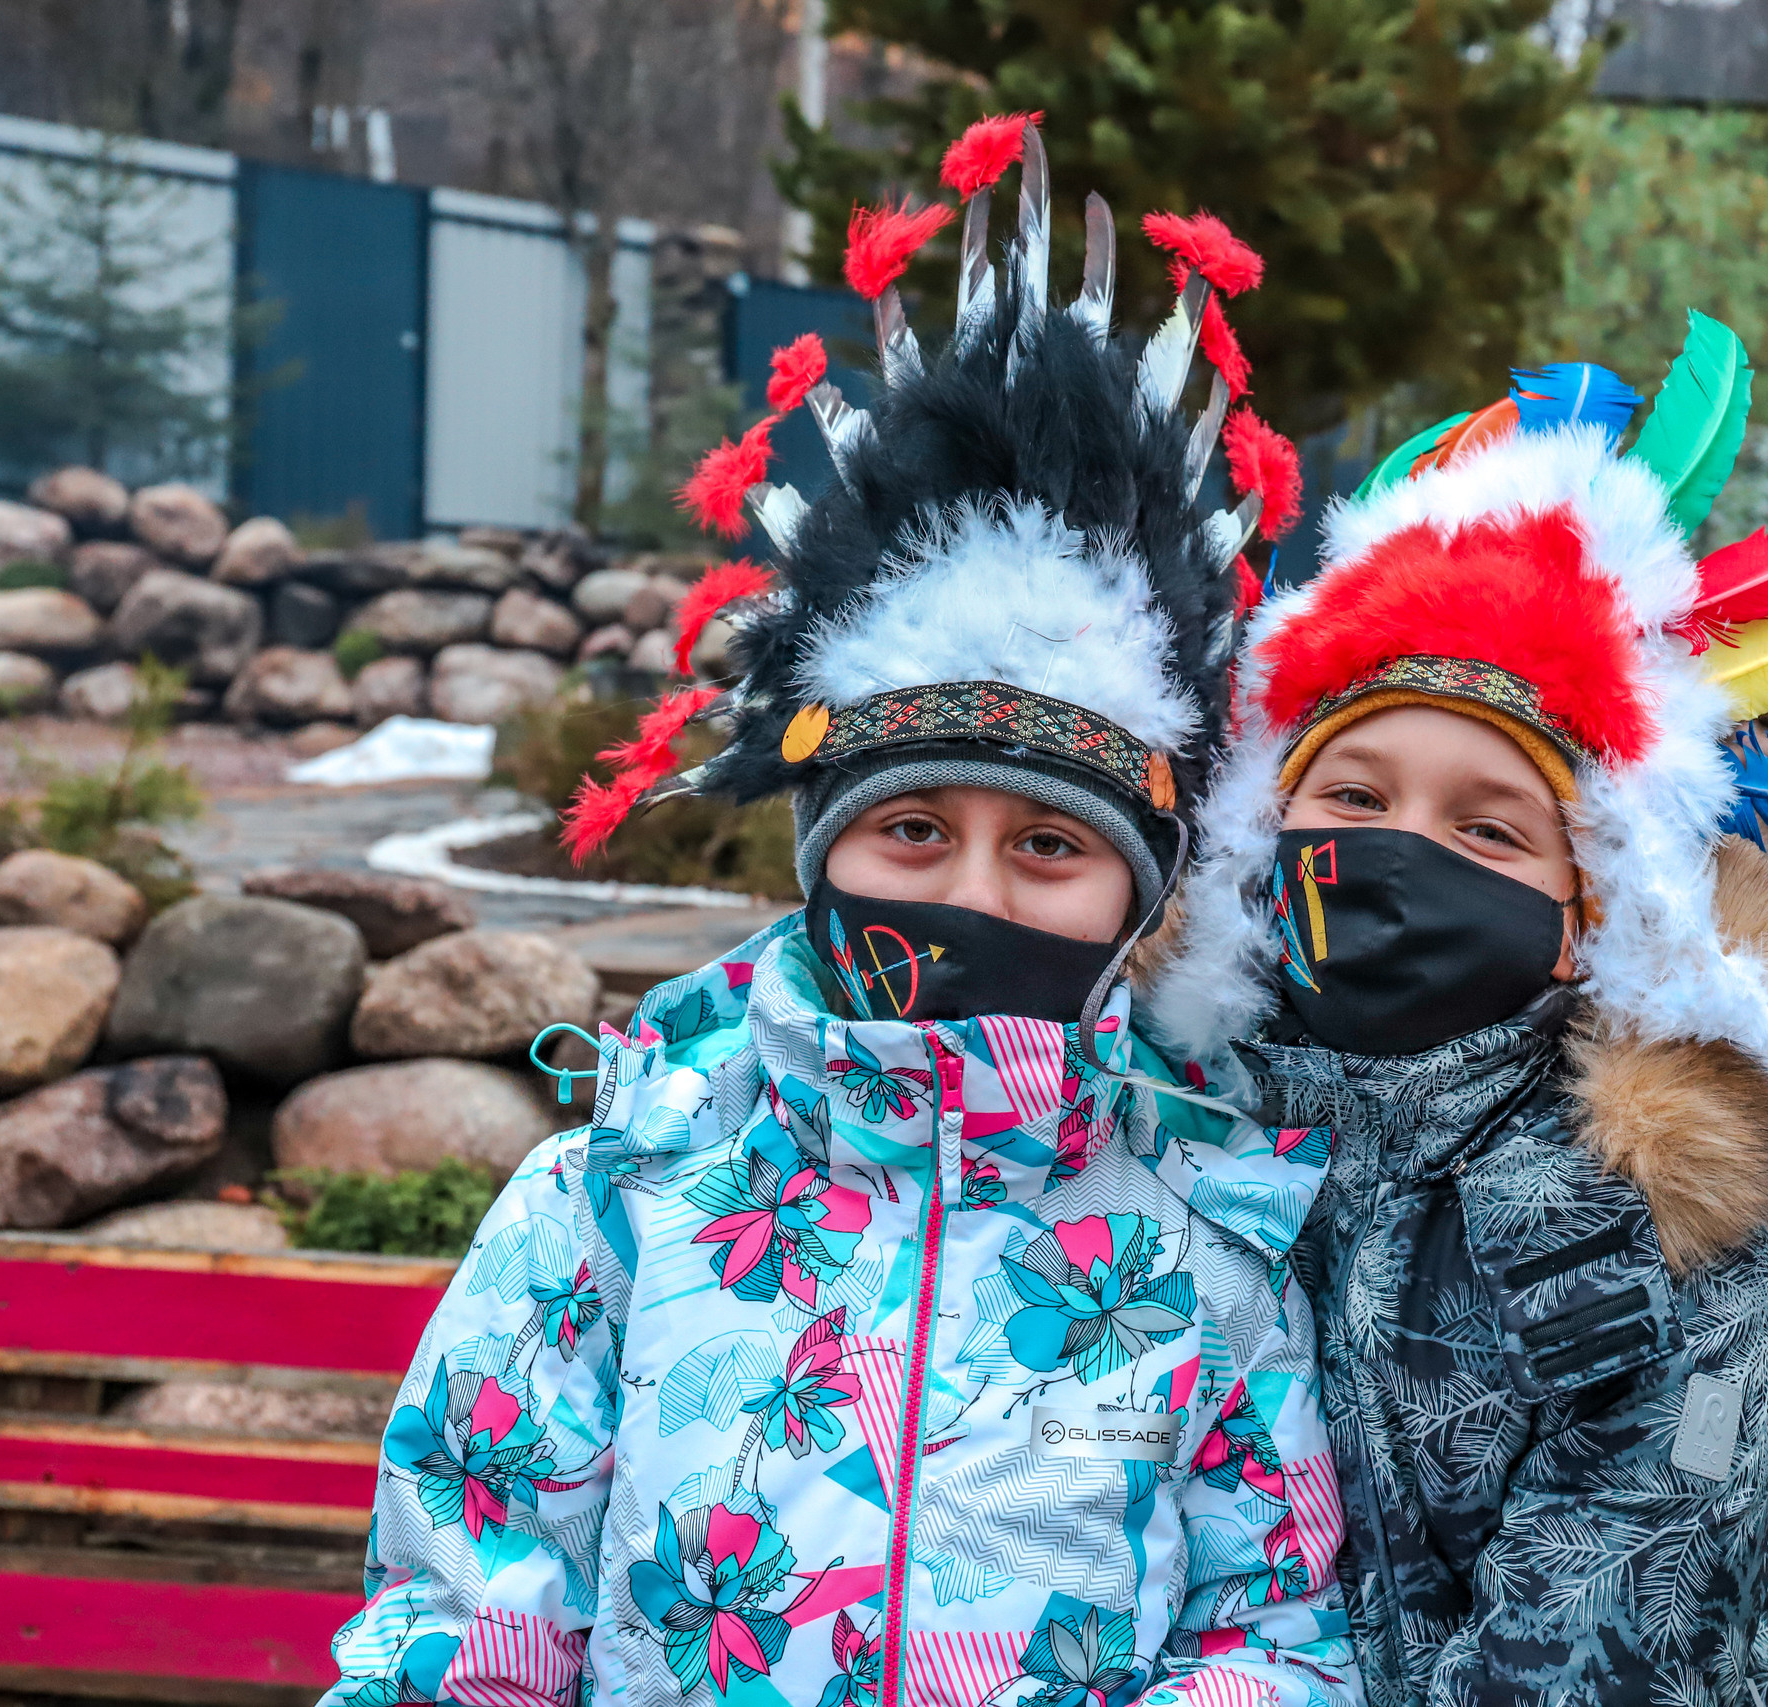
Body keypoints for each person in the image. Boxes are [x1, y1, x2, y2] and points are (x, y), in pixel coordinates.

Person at [321, 114, 1356, 1707]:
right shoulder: (619, 1200)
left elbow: (1270, 1635)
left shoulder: (1209, 1248)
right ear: (822, 853)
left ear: (1136, 897)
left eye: (1049, 850)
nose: (970, 895)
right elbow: (462, 1622)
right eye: (914, 829)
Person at [1145, 339, 1768, 1706]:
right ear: (1263, 830)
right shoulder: (1181, 1115)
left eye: (1488, 828)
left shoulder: (1645, 1203)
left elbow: (1640, 1573)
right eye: (1353, 798)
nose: (1402, 852)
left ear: (1592, 908)